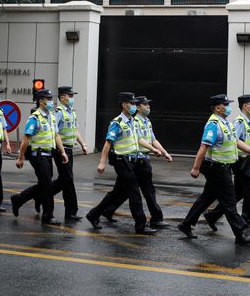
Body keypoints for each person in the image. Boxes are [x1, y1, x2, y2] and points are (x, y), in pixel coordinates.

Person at [176, 94, 250, 245]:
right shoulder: (213, 124)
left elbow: (236, 142)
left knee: (207, 197)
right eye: (225, 105)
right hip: (216, 168)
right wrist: (195, 168)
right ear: (218, 108)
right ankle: (240, 234)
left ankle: (186, 224)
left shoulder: (226, 123)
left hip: (223, 167)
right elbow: (203, 146)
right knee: (229, 201)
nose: (228, 107)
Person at [86, 92, 157, 235]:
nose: (134, 106)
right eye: (132, 103)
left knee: (116, 193)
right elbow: (107, 144)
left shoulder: (132, 121)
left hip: (133, 162)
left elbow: (137, 140)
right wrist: (101, 163)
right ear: (124, 105)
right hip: (121, 162)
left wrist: (153, 149)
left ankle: (93, 214)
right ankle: (140, 225)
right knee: (134, 193)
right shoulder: (117, 123)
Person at [204, 95, 250, 239]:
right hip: (241, 162)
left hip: (248, 161)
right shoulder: (238, 122)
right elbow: (235, 141)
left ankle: (213, 215)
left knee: (237, 194)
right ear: (245, 106)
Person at [100, 95, 173, 229]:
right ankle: (154, 219)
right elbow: (133, 141)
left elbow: (153, 139)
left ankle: (105, 210)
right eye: (145, 104)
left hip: (139, 160)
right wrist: (102, 162)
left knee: (122, 191)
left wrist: (164, 152)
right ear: (138, 107)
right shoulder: (133, 121)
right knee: (141, 191)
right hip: (135, 161)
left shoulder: (146, 121)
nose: (148, 107)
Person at [11, 89, 68, 226]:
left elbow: (56, 135)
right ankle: (48, 216)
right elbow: (25, 140)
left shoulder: (52, 117)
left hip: (48, 155)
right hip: (38, 155)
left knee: (44, 184)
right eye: (48, 99)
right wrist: (20, 158)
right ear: (41, 101)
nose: (51, 101)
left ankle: (19, 199)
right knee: (47, 185)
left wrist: (62, 151)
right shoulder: (34, 118)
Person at [48, 85, 88, 221]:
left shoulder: (72, 112)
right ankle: (71, 212)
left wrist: (83, 144)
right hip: (61, 150)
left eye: (72, 96)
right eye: (70, 96)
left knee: (63, 180)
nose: (72, 98)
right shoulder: (58, 112)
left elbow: (75, 130)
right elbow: (54, 133)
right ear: (62, 97)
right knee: (68, 180)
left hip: (69, 150)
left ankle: (40, 195)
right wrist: (62, 150)